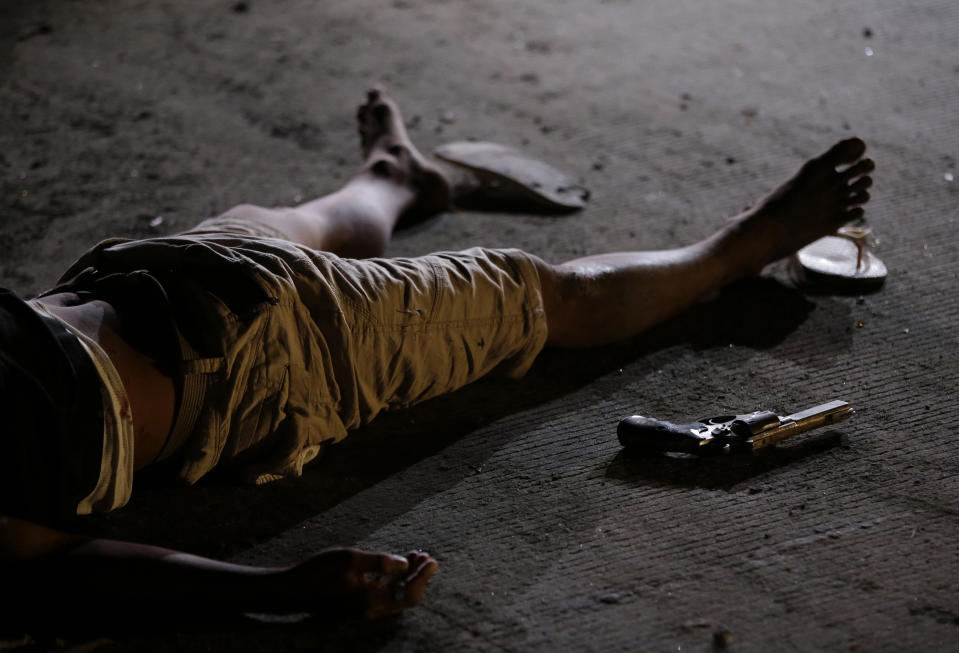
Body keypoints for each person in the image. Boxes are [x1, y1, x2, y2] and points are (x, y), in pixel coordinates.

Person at [0, 88, 873, 620]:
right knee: (536, 297)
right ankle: (740, 247)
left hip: (132, 281)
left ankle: (393, 177)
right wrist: (273, 589)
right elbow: (48, 564)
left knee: (298, 227)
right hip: (253, 358)